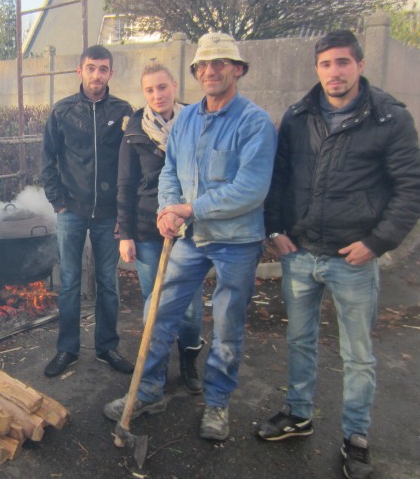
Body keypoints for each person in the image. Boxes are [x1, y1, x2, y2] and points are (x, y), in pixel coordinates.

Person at [256, 30, 420, 479]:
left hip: (352, 259)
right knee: (299, 340)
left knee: (357, 354)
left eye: (343, 63)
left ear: (360, 65)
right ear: (317, 69)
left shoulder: (389, 118)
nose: (335, 72)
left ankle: (356, 436)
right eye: (326, 64)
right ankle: (299, 413)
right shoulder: (298, 116)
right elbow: (278, 179)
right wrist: (274, 229)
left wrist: (376, 242)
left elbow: (413, 188)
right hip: (300, 253)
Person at [103, 32, 276, 443]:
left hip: (236, 241)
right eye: (204, 64)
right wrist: (168, 210)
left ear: (237, 69)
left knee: (228, 323)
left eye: (221, 63)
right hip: (191, 238)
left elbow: (250, 189)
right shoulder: (186, 121)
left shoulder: (255, 123)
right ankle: (148, 392)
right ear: (196, 72)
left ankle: (217, 404)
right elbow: (170, 173)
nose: (211, 70)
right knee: (156, 310)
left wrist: (189, 209)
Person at [41, 44, 135, 378]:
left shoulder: (124, 112)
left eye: (104, 68)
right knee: (69, 283)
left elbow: (131, 165)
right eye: (91, 67)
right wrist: (58, 201)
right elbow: (47, 159)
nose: (97, 74)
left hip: (109, 215)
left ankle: (107, 347)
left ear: (111, 73)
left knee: (108, 283)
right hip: (72, 212)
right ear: (79, 71)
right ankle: (67, 349)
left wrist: (125, 216)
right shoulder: (62, 111)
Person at [116, 62, 206, 394]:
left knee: (191, 306)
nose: (158, 95)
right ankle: (153, 371)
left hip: (190, 230)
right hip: (146, 229)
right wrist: (125, 233)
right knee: (153, 301)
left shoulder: (198, 122)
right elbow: (125, 185)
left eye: (163, 87)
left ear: (175, 85)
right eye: (150, 90)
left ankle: (188, 362)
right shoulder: (135, 129)